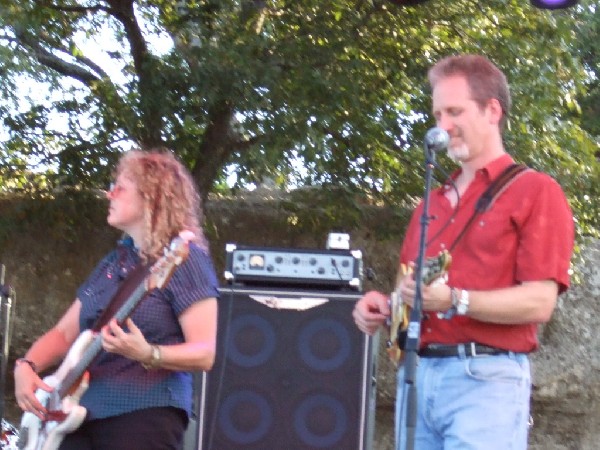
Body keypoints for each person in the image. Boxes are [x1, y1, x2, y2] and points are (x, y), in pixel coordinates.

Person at [353, 54, 574, 450]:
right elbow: (411, 288)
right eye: (437, 114)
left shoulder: (536, 191)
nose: (443, 126)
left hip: (486, 378)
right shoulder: (429, 204)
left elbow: (540, 303)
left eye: (455, 111)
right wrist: (385, 306)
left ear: (492, 110)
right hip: (418, 375)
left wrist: (456, 300)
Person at [13, 149, 219, 450]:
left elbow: (205, 353)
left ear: (152, 196)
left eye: (120, 187)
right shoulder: (113, 263)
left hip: (144, 413)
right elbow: (63, 333)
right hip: (76, 415)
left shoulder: (185, 260)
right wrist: (26, 366)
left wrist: (150, 354)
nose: (110, 194)